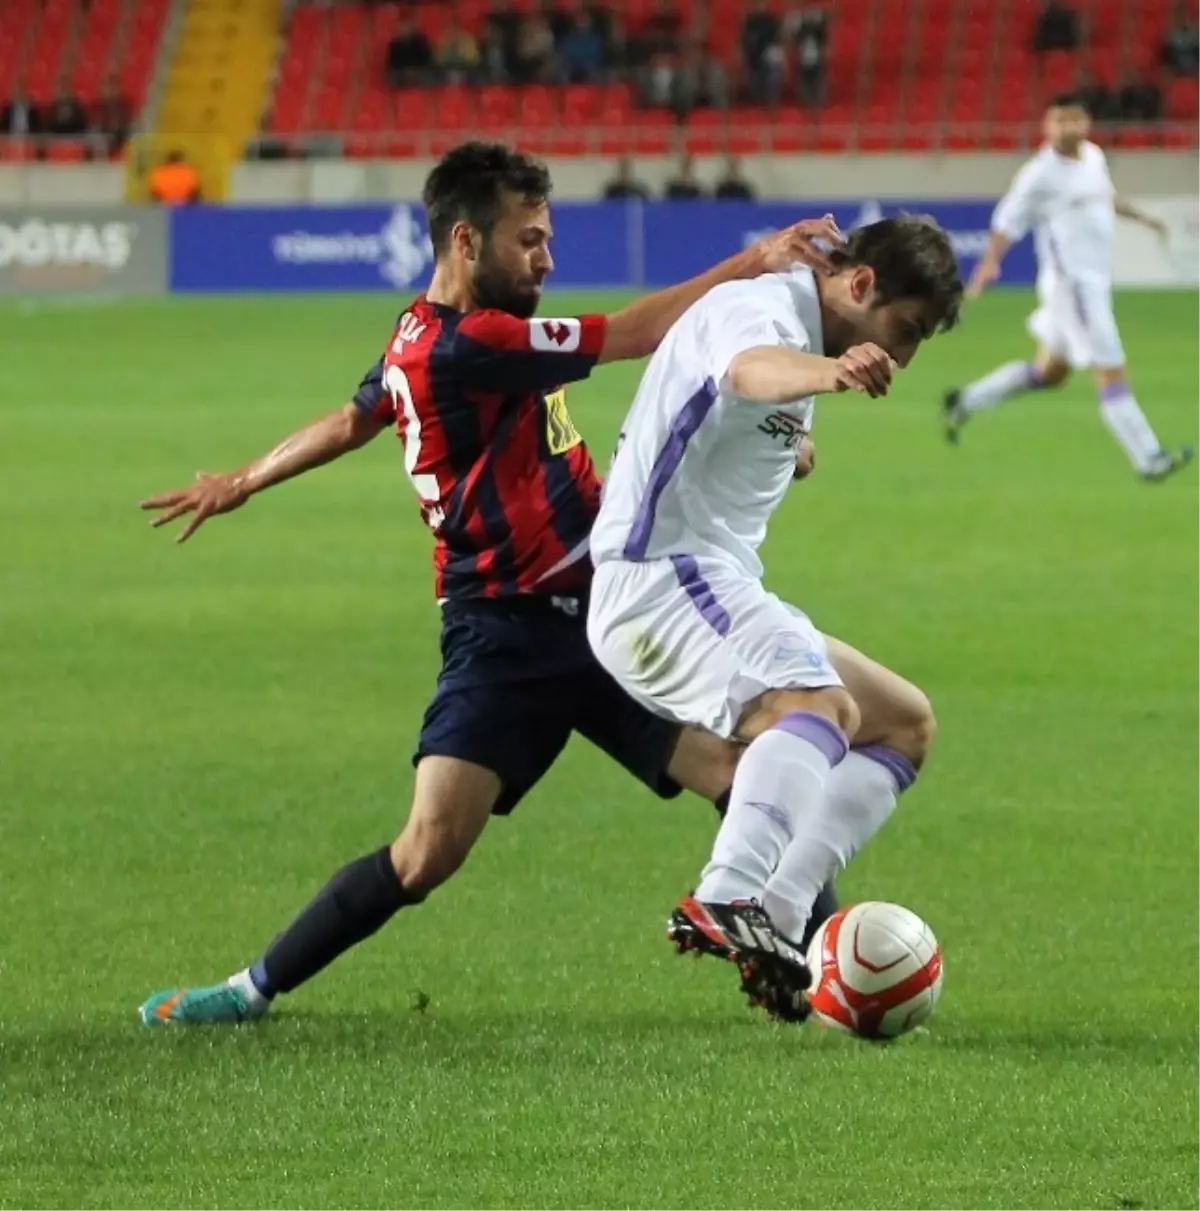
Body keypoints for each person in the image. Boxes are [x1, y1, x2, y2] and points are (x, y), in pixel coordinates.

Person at [136, 142, 843, 1027]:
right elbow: (633, 335)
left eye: (549, 239)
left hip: (606, 615)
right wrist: (754, 259)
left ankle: (820, 971)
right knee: (425, 851)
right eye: (530, 241)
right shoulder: (473, 345)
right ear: (466, 241)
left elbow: (359, 416)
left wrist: (244, 478)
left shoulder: (414, 333)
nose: (546, 259)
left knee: (746, 777)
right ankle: (247, 991)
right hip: (501, 635)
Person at [587, 216, 962, 1020]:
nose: (903, 354)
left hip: (709, 584)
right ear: (860, 286)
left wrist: (788, 445)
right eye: (905, 329)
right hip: (660, 582)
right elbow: (749, 369)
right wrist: (826, 374)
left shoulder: (803, 324)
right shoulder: (762, 312)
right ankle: (727, 894)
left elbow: (723, 411)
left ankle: (785, 924)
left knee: (902, 723)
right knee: (820, 704)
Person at [943, 94, 1192, 481]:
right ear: (1047, 126)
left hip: (1092, 283)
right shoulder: (1039, 174)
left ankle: (965, 401)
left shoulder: (1093, 156)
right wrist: (990, 263)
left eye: (1072, 120)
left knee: (1050, 372)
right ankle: (1149, 458)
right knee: (1111, 370)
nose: (1065, 128)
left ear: (1086, 123)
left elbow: (1106, 198)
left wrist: (1145, 219)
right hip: (1073, 288)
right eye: (1057, 121)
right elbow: (1006, 222)